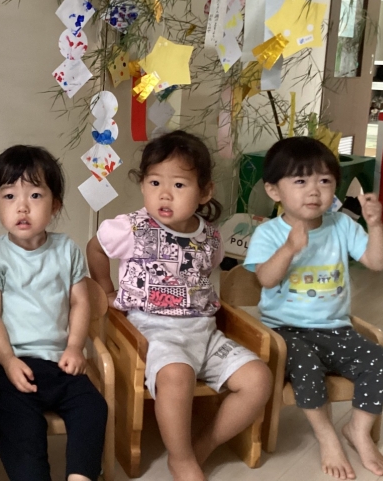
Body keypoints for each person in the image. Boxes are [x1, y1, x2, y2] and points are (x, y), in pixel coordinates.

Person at [87, 130, 271, 481]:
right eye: (154, 182)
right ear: (143, 184)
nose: (164, 194)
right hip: (153, 331)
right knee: (176, 375)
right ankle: (181, 458)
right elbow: (95, 248)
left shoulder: (210, 234)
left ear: (205, 192)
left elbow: (207, 270)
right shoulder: (131, 228)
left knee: (259, 379)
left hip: (205, 332)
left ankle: (202, 446)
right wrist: (106, 289)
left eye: (179, 185)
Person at [244, 136, 383, 479]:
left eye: (324, 180)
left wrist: (375, 225)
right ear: (274, 191)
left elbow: (377, 262)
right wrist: (289, 249)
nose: (314, 190)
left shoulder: (341, 225)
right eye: (300, 181)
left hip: (336, 328)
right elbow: (265, 279)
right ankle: (327, 436)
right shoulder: (269, 233)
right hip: (284, 331)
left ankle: (357, 430)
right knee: (307, 366)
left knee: (379, 359)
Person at [0, 145, 107, 481]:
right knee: (16, 422)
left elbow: (80, 303)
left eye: (35, 195)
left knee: (93, 407)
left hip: (60, 360)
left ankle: (80, 477)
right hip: (13, 365)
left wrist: (75, 347)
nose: (22, 206)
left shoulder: (67, 250)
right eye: (9, 196)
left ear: (55, 205)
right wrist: (7, 361)